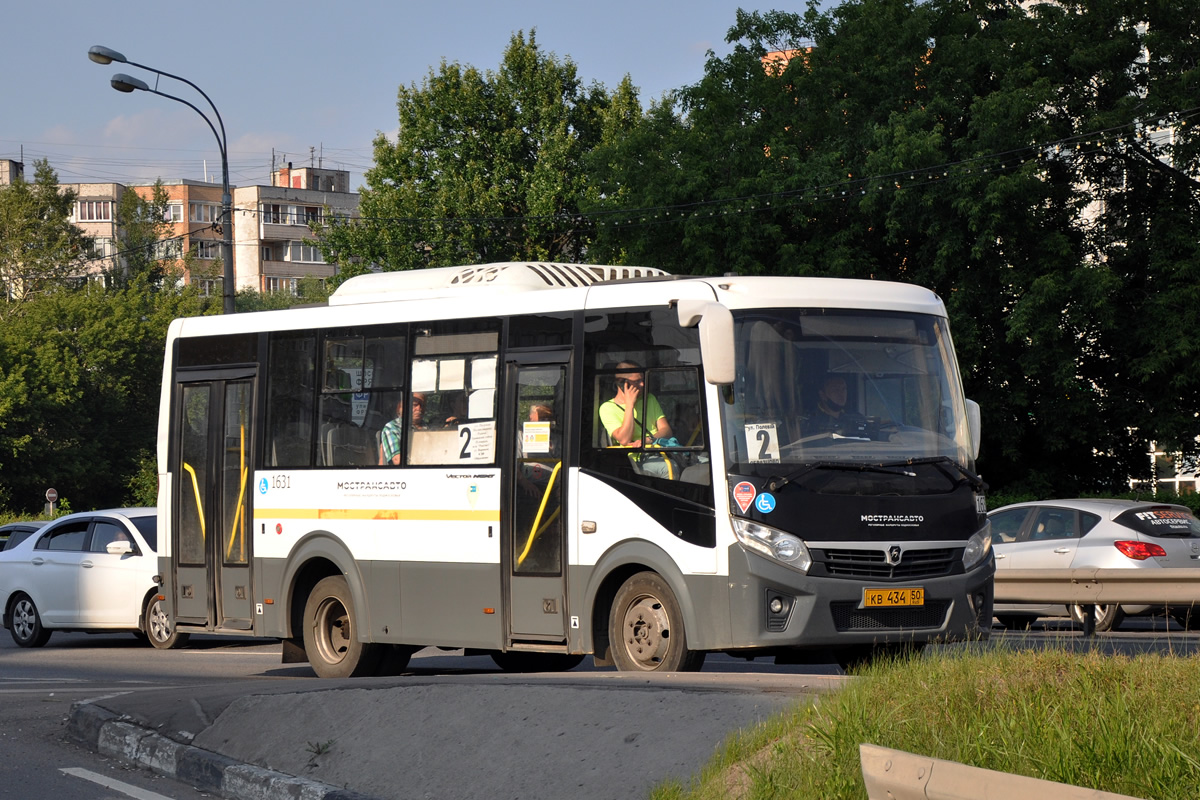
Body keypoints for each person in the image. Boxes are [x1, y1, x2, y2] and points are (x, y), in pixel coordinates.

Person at [599, 362, 673, 447]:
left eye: (642, 380)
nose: (642, 384)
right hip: (635, 456)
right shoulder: (608, 408)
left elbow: (666, 430)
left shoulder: (649, 398)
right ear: (622, 383)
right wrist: (630, 405)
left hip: (658, 450)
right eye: (637, 381)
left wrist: (649, 440)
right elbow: (624, 439)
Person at [379, 392, 425, 465]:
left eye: (422, 405)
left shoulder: (427, 427)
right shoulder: (392, 427)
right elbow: (397, 460)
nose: (419, 409)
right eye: (415, 405)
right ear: (402, 407)